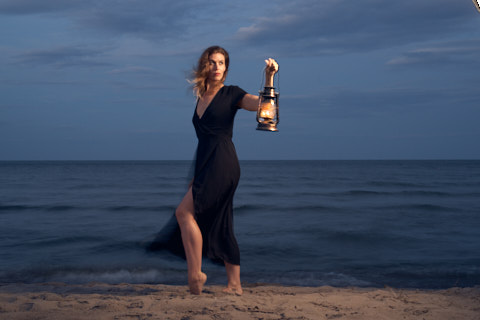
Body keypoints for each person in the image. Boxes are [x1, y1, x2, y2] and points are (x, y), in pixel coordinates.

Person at [169, 46, 278, 295]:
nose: (216, 67)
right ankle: (235, 285)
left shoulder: (232, 93)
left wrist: (269, 77)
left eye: (221, 63)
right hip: (207, 162)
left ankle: (195, 275)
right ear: (204, 66)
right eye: (211, 62)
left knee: (184, 213)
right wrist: (196, 177)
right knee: (223, 222)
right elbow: (204, 141)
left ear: (226, 68)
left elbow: (262, 106)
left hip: (223, 161)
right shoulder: (201, 96)